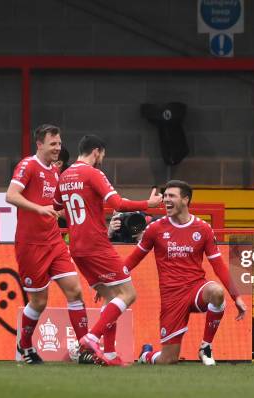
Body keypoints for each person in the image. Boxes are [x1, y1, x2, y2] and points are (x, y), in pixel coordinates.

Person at [54, 134, 163, 366]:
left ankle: (111, 353)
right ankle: (91, 338)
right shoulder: (93, 173)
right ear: (96, 151)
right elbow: (118, 204)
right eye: (102, 154)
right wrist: (148, 204)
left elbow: (57, 209)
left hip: (76, 247)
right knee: (128, 294)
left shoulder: (63, 176)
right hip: (96, 245)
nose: (102, 158)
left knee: (112, 296)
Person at [123, 180, 247, 365]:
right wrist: (110, 281)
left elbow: (219, 265)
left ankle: (206, 347)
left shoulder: (203, 228)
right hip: (171, 297)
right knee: (168, 360)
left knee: (217, 292)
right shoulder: (155, 229)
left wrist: (236, 296)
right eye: (165, 196)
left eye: (171, 196)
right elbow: (133, 259)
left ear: (185, 199)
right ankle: (147, 355)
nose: (166, 200)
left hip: (195, 288)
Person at [6, 124, 89, 365]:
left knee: (74, 290)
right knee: (39, 301)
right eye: (53, 144)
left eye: (59, 144)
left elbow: (55, 208)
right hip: (31, 245)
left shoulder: (55, 172)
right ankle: (24, 346)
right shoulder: (27, 165)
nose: (57, 148)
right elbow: (10, 195)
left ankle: (85, 347)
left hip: (53, 241)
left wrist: (71, 215)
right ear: (39, 144)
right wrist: (39, 208)